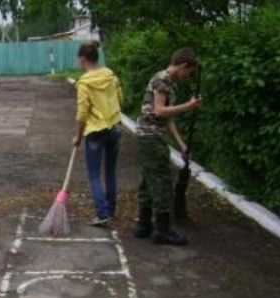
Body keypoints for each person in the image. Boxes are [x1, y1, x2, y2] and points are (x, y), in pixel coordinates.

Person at [134, 47, 202, 245]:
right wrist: (188, 106)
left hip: (152, 135)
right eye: (188, 73)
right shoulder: (162, 80)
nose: (187, 77)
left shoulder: (169, 82)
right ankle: (163, 230)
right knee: (162, 181)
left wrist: (181, 145)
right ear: (183, 65)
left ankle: (144, 225)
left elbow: (168, 118)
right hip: (150, 137)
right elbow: (160, 111)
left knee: (148, 180)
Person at [72, 41, 123, 227]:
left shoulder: (84, 83)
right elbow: (121, 98)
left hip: (95, 131)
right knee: (110, 171)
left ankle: (102, 214)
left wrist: (78, 136)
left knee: (94, 174)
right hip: (115, 127)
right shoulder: (111, 76)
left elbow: (82, 112)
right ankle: (111, 210)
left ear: (83, 59)